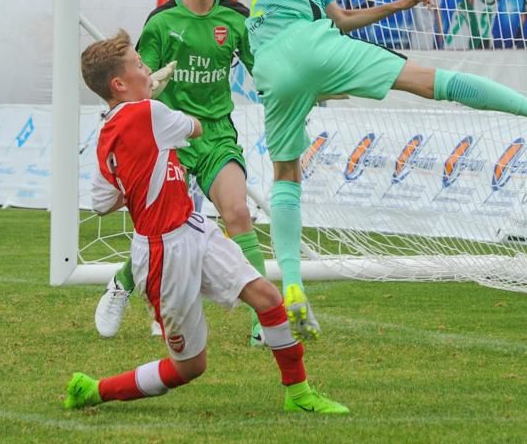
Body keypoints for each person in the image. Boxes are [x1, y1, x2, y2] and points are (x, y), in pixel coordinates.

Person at [164, 0, 527, 341]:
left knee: (285, 172)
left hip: (273, 71)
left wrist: (398, 6)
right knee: (426, 80)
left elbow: (339, 18)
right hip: (309, 46)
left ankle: (292, 289)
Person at [66, 30, 348, 414]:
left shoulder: (106, 134)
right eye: (139, 65)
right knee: (189, 367)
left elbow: (102, 201)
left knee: (266, 297)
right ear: (119, 83)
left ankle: (299, 395)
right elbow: (196, 128)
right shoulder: (149, 112)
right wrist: (155, 104)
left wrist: (139, 169)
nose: (147, 69)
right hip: (164, 254)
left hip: (193, 227)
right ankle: (95, 390)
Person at [94, 0, 268, 348]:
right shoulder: (162, 22)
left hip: (216, 135)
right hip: (169, 141)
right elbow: (139, 83)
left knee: (238, 214)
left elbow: (262, 71)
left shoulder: (235, 18)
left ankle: (264, 319)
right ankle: (122, 282)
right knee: (165, 234)